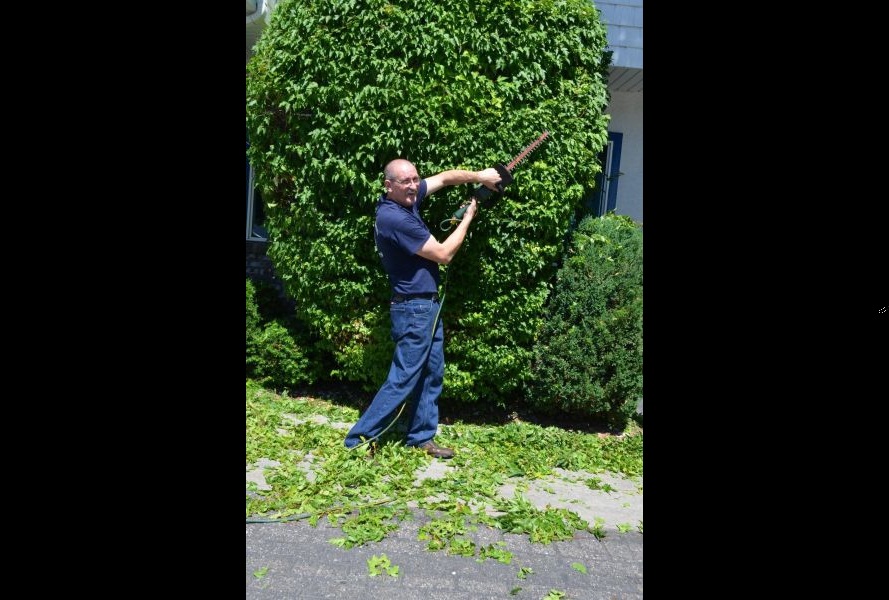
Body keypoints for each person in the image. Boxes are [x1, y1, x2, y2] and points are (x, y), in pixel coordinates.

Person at [344, 159, 502, 458]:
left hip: (426, 306)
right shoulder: (394, 218)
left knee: (432, 373)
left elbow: (443, 178)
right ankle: (359, 439)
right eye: (406, 182)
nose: (414, 186)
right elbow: (443, 254)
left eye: (416, 179)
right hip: (414, 309)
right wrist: (468, 217)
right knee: (404, 377)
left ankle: (420, 437)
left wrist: (479, 176)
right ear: (388, 186)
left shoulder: (407, 201)